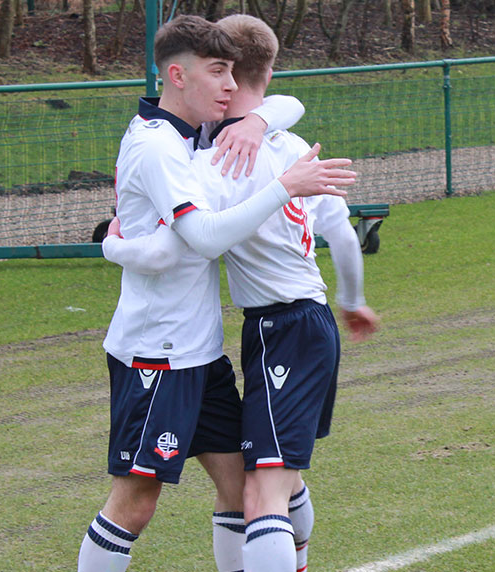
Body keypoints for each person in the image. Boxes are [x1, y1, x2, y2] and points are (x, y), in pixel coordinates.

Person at [77, 14, 357, 572]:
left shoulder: (196, 136)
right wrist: (285, 186)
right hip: (157, 353)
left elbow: (283, 102)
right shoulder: (160, 148)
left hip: (200, 355)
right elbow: (192, 243)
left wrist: (254, 124)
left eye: (235, 72)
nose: (232, 87)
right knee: (135, 503)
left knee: (244, 491)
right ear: (178, 76)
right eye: (218, 72)